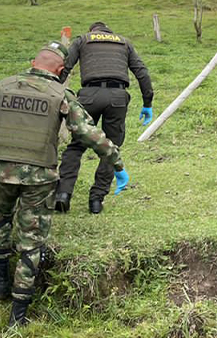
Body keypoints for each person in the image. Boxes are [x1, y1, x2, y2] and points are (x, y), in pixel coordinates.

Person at [0, 42, 129, 325]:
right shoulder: (61, 94)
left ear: (33, 61)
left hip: (0, 171)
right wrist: (116, 163)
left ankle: (0, 276)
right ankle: (18, 315)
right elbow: (87, 132)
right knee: (31, 242)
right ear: (60, 70)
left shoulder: (2, 86)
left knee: (0, 216)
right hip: (38, 176)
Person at [55, 21, 154, 215]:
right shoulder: (124, 43)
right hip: (117, 98)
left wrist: (53, 90)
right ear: (110, 31)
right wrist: (147, 102)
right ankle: (96, 200)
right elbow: (141, 72)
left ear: (93, 31)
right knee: (111, 147)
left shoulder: (83, 39)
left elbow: (65, 66)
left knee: (76, 145)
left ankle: (63, 194)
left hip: (89, 96)